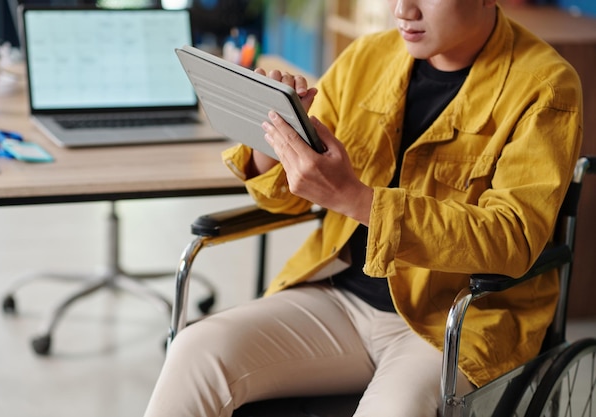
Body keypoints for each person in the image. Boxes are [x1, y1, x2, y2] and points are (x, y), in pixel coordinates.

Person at [144, 0, 583, 415]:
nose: (403, 10)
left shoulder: (545, 86)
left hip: (455, 322)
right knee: (195, 350)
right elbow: (286, 197)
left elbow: (511, 239)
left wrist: (356, 199)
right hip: (340, 300)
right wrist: (276, 135)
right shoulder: (367, 57)